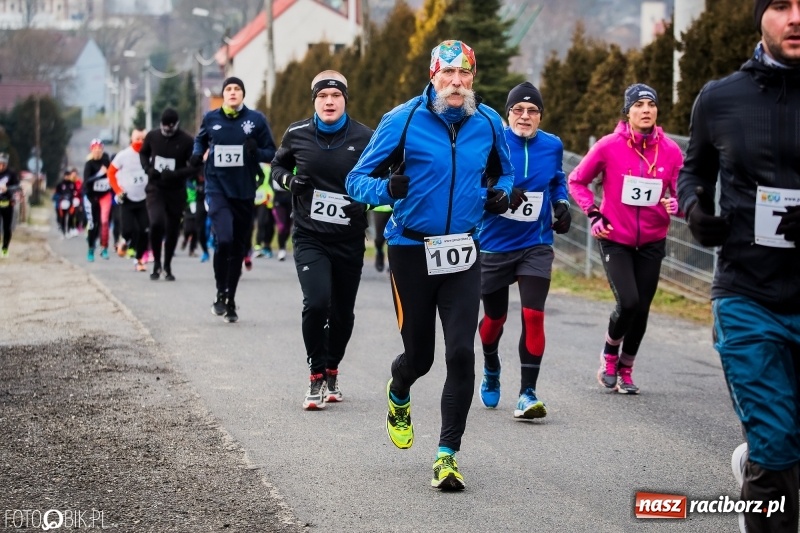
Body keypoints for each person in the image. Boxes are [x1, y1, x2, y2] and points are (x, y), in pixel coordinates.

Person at [346, 40, 514, 490]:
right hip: (410, 249)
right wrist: (387, 191)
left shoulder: (489, 122)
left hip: (463, 250)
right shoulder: (401, 121)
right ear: (433, 75)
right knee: (420, 356)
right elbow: (356, 179)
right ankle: (399, 392)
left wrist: (500, 195)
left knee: (461, 352)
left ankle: (446, 455)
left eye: (464, 76)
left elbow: (508, 172)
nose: (456, 84)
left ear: (473, 78)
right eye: (448, 75)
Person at [677, 1, 800, 531]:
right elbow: (692, 173)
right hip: (747, 293)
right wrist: (694, 210)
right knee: (777, 442)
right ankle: (764, 467)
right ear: (759, 18)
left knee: (788, 442)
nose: (797, 17)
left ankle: (756, 462)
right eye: (781, 5)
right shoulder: (720, 98)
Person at [568, 83, 683, 395]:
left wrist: (678, 205)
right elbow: (577, 180)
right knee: (628, 301)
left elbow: (681, 195)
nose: (645, 110)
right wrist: (593, 213)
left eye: (651, 104)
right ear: (628, 112)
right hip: (614, 237)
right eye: (638, 105)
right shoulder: (608, 146)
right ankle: (609, 353)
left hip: (651, 240)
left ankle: (626, 368)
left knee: (642, 308)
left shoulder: (670, 151)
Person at [271, 70, 373, 410]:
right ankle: (315, 375)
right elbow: (277, 169)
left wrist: (377, 193)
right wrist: (289, 182)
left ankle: (332, 368)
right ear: (314, 100)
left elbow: (384, 174)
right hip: (310, 236)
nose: (329, 102)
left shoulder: (365, 136)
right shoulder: (297, 134)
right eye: (322, 97)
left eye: (336, 96)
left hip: (348, 239)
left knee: (343, 313)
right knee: (316, 302)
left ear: (345, 100)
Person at [477, 82, 571, 418]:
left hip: (536, 243)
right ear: (508, 114)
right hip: (494, 245)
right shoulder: (492, 143)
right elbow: (474, 181)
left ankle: (527, 394)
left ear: (541, 116)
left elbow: (557, 179)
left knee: (533, 314)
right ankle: (491, 365)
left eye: (532, 111)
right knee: (494, 318)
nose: (525, 116)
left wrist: (561, 203)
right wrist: (498, 191)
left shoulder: (552, 146)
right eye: (518, 110)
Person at [191, 77, 277, 322]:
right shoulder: (211, 118)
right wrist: (198, 154)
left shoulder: (256, 120)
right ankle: (220, 291)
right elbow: (200, 140)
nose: (232, 92)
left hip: (244, 189)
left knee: (238, 245)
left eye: (237, 89)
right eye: (228, 89)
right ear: (224, 94)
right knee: (224, 239)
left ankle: (230, 298)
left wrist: (255, 151)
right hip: (217, 187)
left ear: (242, 94)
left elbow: (271, 151)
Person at [140, 108, 195, 281]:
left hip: (176, 191)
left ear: (176, 125)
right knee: (156, 223)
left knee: (172, 229)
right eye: (164, 128)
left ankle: (167, 264)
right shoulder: (153, 136)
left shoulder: (187, 141)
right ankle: (156, 262)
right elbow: (143, 153)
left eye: (170, 128)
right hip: (156, 188)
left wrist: (176, 173)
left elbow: (194, 166)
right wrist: (148, 169)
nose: (167, 131)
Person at [108, 128, 150, 272]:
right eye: (137, 139)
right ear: (132, 140)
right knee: (128, 230)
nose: (140, 142)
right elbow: (111, 172)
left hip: (144, 199)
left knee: (145, 231)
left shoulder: (149, 155)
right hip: (127, 199)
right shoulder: (123, 155)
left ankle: (139, 260)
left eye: (143, 139)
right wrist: (118, 190)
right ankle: (124, 241)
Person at [83, 139, 113, 262]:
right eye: (95, 149)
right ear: (91, 150)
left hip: (105, 195)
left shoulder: (106, 161)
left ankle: (104, 247)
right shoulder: (89, 165)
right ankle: (91, 248)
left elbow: (112, 171)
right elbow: (87, 182)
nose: (97, 151)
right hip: (91, 197)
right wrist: (99, 174)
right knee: (92, 224)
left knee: (104, 221)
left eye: (100, 149)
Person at [0, 152, 20, 257]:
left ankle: (4, 248)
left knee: (7, 227)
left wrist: (8, 189)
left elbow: (17, 187)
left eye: (2, 164)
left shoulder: (11, 174)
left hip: (7, 203)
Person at [53, 169, 78, 238]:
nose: (67, 177)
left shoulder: (72, 184)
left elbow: (74, 193)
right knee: (63, 217)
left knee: (70, 217)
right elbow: (56, 194)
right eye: (66, 176)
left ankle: (69, 230)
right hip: (62, 203)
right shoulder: (60, 184)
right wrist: (60, 198)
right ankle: (63, 231)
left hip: (70, 203)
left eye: (68, 175)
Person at [371, 205, 392, 272]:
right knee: (379, 239)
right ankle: (379, 253)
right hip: (380, 206)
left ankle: (392, 263)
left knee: (393, 238)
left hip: (396, 207)